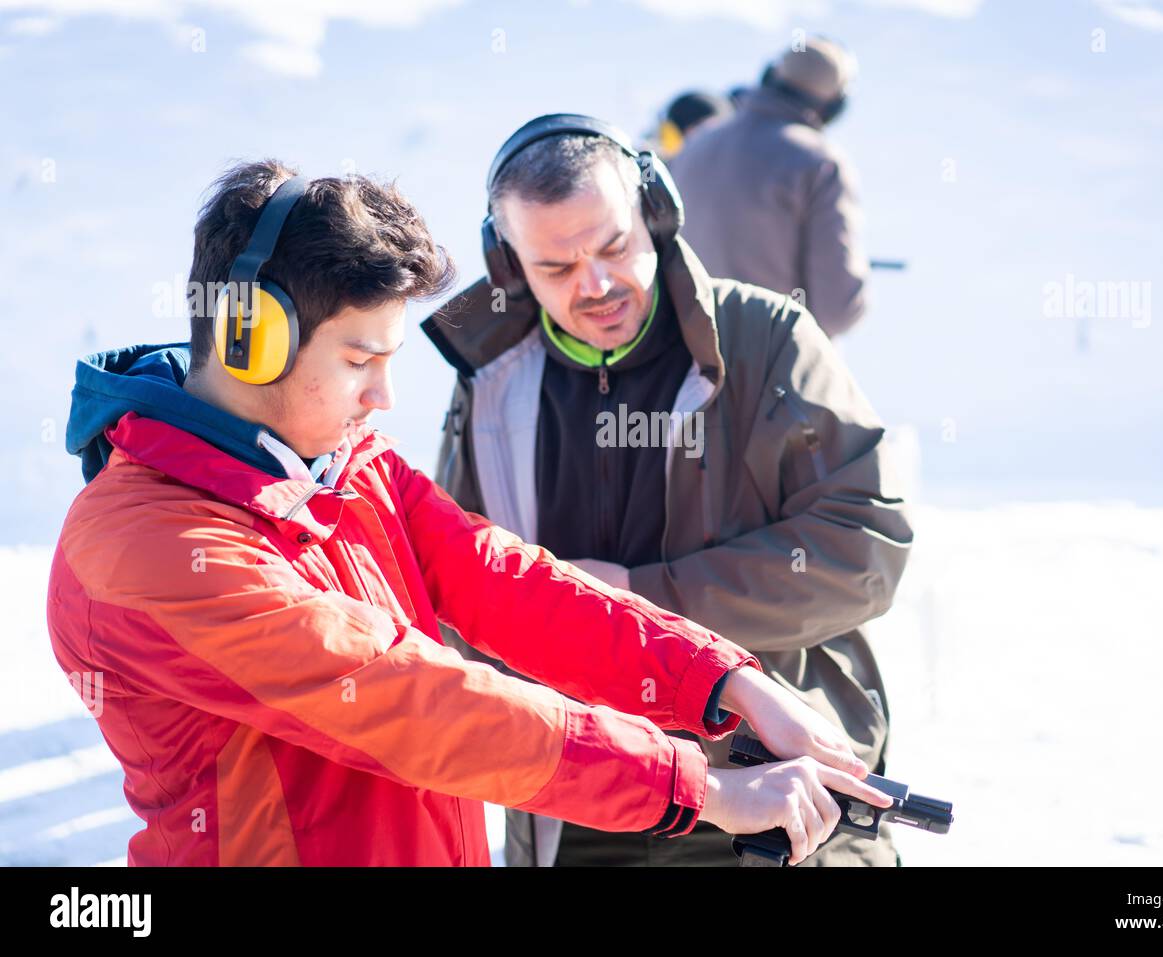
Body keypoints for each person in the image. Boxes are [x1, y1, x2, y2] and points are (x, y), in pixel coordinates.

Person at [46, 159, 894, 867]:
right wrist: (697, 786)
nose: (382, 395)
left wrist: (722, 679)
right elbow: (412, 700)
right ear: (246, 336)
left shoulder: (342, 466)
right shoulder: (146, 547)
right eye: (358, 360)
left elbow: (510, 583)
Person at [423, 115, 912, 866]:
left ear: (655, 212)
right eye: (556, 266)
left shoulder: (769, 338)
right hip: (585, 802)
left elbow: (865, 547)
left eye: (614, 245)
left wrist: (646, 596)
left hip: (785, 789)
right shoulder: (489, 387)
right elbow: (453, 597)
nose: (596, 284)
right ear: (510, 264)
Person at [669, 36, 870, 338]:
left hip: (688, 363)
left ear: (769, 76)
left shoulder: (695, 145)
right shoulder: (821, 163)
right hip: (774, 367)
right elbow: (838, 309)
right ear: (835, 106)